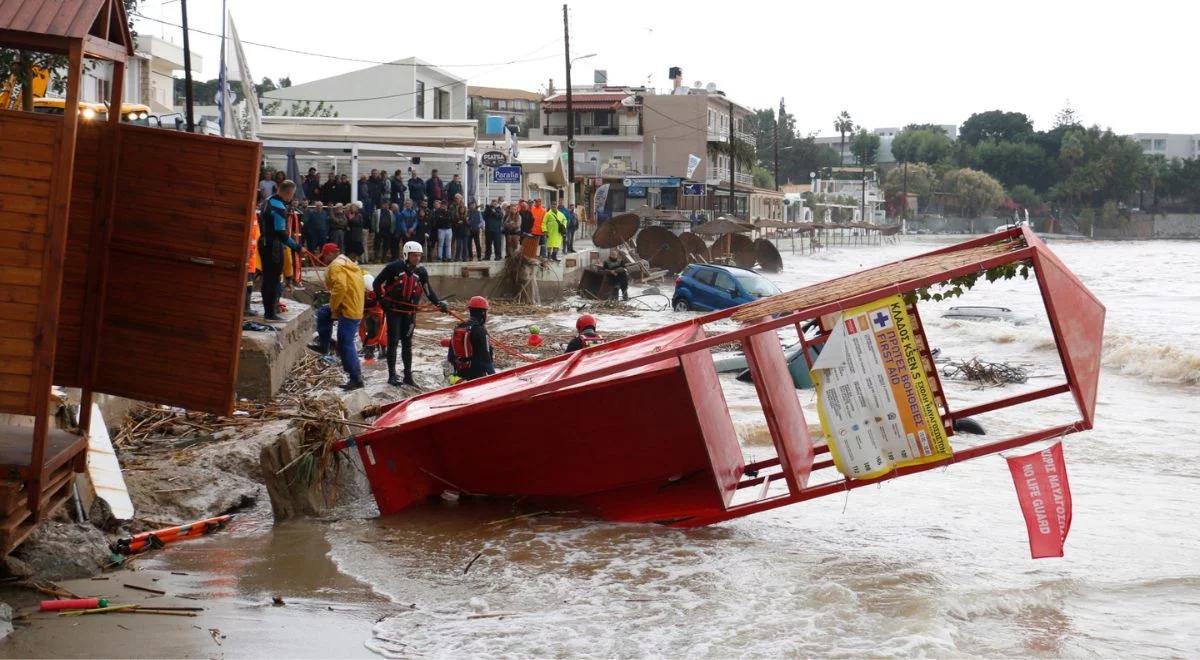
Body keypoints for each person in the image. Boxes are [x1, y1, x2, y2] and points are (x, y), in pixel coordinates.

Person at [374, 241, 449, 386]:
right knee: (393, 342)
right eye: (414, 256)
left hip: (409, 312)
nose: (417, 258)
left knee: (407, 344)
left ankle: (408, 376)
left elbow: (428, 292)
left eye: (419, 256)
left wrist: (439, 304)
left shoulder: (421, 272)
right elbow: (377, 283)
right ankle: (392, 376)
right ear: (406, 255)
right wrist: (382, 300)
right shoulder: (393, 267)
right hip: (394, 310)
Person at [308, 243, 366, 390]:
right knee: (323, 313)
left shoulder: (335, 266)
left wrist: (334, 308)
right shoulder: (347, 262)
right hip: (354, 305)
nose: (325, 260)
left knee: (345, 343)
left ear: (330, 254)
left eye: (325, 256)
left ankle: (355, 378)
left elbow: (341, 287)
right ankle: (324, 345)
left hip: (348, 309)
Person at [257, 180, 302, 321]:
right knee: (273, 279)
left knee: (267, 279)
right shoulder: (279, 206)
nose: (291, 198)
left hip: (263, 242)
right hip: (273, 246)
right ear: (289, 192)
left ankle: (269, 311)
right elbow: (281, 232)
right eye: (292, 195)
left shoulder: (268, 200)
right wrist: (296, 246)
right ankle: (270, 313)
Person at [450, 296, 495, 382]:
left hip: (459, 377)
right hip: (476, 377)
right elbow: (486, 361)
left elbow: (451, 357)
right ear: (483, 313)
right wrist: (495, 379)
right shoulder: (481, 331)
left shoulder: (458, 327)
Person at [451, 196, 470, 261]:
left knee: (465, 246)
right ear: (459, 209)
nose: (462, 209)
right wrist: (458, 223)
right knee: (458, 246)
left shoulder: (467, 216)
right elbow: (454, 224)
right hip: (458, 233)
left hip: (465, 233)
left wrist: (467, 221)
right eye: (461, 208)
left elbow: (469, 225)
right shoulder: (456, 216)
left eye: (463, 208)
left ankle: (464, 258)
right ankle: (457, 257)